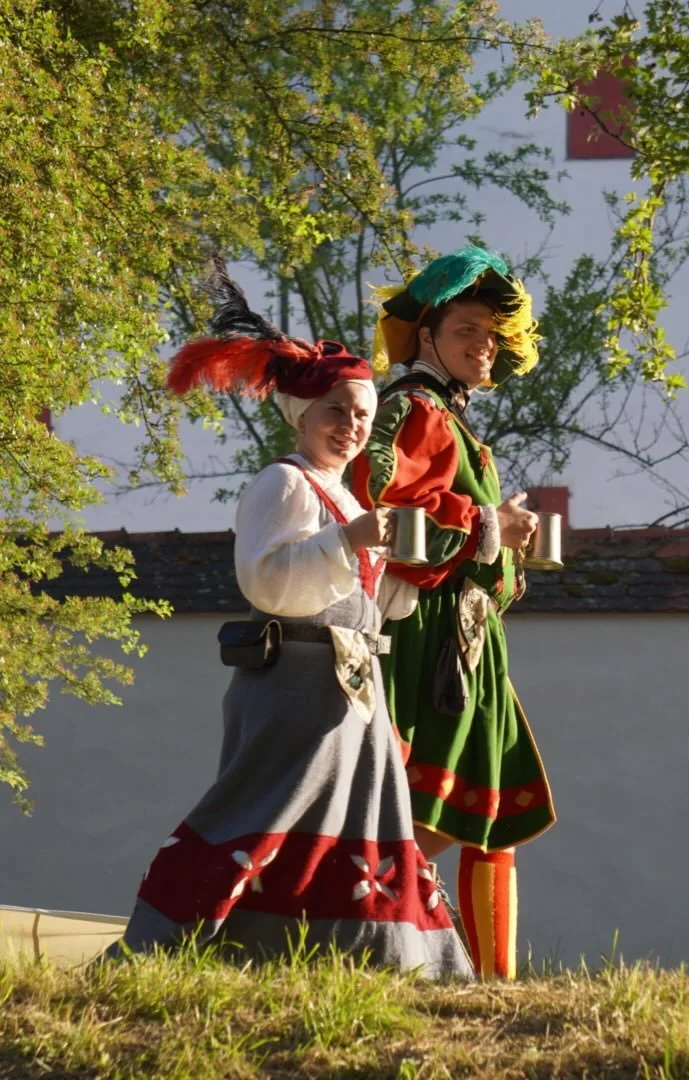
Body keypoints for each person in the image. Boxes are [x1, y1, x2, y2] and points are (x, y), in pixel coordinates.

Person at [107, 263, 473, 978]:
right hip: (297, 687)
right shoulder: (284, 482)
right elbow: (269, 580)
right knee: (262, 813)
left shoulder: (343, 496)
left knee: (361, 825)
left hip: (354, 693)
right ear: (300, 414)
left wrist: (423, 564)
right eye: (337, 411)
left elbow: (375, 601)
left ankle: (390, 961)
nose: (351, 426)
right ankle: (161, 948)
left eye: (361, 416)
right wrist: (351, 542)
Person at [353, 246, 556, 979]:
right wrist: (488, 525)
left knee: (492, 818)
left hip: (471, 641)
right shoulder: (412, 408)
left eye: (492, 337)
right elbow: (387, 514)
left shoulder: (459, 423)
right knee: (427, 815)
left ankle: (494, 987)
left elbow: (473, 546)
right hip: (427, 641)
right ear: (427, 337)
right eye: (468, 330)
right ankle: (350, 922)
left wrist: (505, 540)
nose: (483, 346)